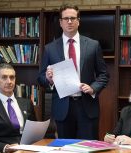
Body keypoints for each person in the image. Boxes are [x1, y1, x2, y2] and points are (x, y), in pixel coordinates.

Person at [37, 4, 109, 139]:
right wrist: (49, 79)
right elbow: (40, 78)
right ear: (60, 22)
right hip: (63, 108)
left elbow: (104, 75)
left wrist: (93, 88)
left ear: (78, 21)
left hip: (87, 106)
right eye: (66, 19)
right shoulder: (50, 49)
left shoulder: (93, 45)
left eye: (72, 18)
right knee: (65, 151)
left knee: (88, 150)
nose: (69, 21)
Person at [0, 63, 36, 153]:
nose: (9, 81)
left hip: (29, 150)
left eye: (12, 77)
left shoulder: (26, 103)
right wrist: (5, 147)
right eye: (4, 77)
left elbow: (34, 129)